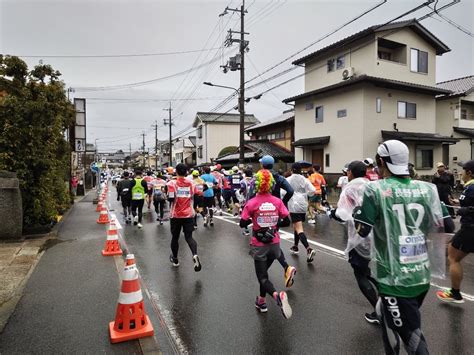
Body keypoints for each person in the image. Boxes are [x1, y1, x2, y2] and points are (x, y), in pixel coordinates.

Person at [353, 140, 454, 355]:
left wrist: (356, 215)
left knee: (412, 338)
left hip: (394, 280)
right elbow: (448, 225)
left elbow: (362, 231)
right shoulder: (428, 188)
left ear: (381, 161)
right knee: (388, 320)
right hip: (421, 274)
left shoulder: (374, 189)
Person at [329, 161, 379, 324]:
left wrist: (332, 213)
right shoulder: (373, 186)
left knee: (360, 274)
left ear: (350, 172)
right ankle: (388, 305)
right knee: (367, 271)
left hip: (359, 236)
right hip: (376, 235)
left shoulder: (350, 188)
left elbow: (342, 214)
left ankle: (380, 312)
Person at [239, 169, 293, 319]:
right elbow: (287, 221)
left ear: (256, 184)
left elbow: (242, 222)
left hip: (259, 245)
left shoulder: (252, 203)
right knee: (265, 275)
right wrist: (274, 225)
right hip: (275, 244)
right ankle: (261, 301)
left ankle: (277, 296)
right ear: (271, 184)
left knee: (262, 277)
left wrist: (254, 219)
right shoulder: (277, 201)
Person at [437, 160, 474, 304]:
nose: (460, 173)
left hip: (470, 228)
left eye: (463, 170)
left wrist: (468, 210)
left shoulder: (472, 187)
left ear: (469, 173)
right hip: (468, 228)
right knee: (453, 251)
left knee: (453, 257)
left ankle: (455, 293)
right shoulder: (469, 187)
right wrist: (458, 202)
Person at [167, 163, 201, 271]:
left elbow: (171, 199)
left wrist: (167, 193)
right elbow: (198, 193)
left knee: (175, 238)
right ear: (186, 172)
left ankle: (176, 259)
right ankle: (194, 254)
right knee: (189, 237)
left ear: (176, 171)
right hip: (188, 214)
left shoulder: (171, 183)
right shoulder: (191, 183)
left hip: (176, 215)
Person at [286, 163, 317, 262]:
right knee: (296, 226)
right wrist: (305, 194)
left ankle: (309, 249)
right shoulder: (305, 179)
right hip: (303, 205)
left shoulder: (288, 180)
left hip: (293, 205)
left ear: (292, 170)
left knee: (299, 228)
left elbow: (283, 192)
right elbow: (313, 190)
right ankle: (295, 246)